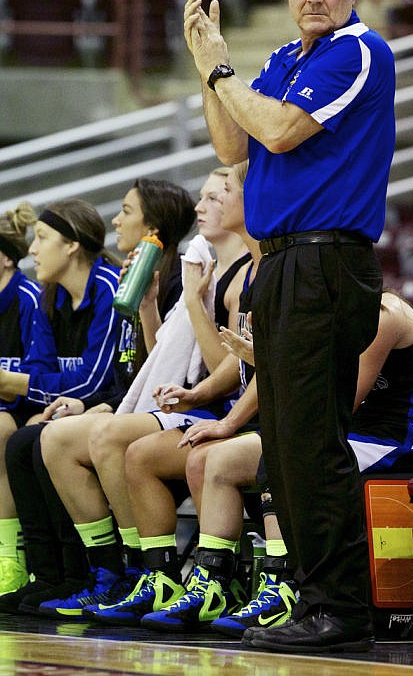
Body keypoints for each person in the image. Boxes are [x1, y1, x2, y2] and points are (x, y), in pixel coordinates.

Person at [183, 0, 396, 652]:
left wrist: (222, 72)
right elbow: (230, 146)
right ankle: (312, 600)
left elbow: (272, 130)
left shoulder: (357, 51)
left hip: (324, 263)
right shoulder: (281, 60)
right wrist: (207, 70)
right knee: (283, 448)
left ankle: (342, 608)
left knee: (310, 445)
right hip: (280, 265)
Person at [34, 165, 253, 620]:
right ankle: (116, 568)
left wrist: (193, 302)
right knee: (54, 440)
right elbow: (157, 365)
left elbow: (226, 371)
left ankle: (148, 569)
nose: (200, 206)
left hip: (223, 410)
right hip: (198, 406)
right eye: (202, 197)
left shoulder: (232, 275)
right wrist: (151, 307)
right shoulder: (203, 264)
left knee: (113, 438)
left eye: (216, 196)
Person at [179, 289, 413, 637]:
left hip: (400, 439)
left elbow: (338, 401)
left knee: (286, 454)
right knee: (219, 460)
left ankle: (282, 584)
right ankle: (212, 584)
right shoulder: (326, 316)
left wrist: (270, 362)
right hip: (349, 433)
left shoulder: (383, 315)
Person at [0, 181, 196, 612]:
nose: (116, 219)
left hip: (164, 411)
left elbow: (105, 376)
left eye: (126, 210)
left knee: (42, 440)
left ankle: (112, 570)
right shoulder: (51, 296)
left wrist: (53, 395)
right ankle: (55, 573)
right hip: (118, 404)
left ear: (71, 246)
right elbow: (48, 370)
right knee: (25, 441)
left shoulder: (123, 284)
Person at [0, 201, 42, 595]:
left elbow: (36, 376)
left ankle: (9, 559)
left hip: (23, 409)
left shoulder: (28, 299)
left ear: (8, 260)